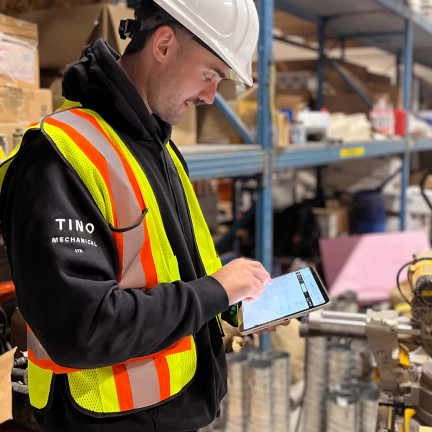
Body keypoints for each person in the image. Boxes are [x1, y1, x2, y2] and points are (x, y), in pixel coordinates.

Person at [0, 1, 273, 431]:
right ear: (163, 45)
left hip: (167, 413)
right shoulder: (57, 158)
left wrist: (234, 302)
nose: (209, 96)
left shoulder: (156, 148)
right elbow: (81, 327)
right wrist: (213, 293)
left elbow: (167, 272)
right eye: (210, 74)